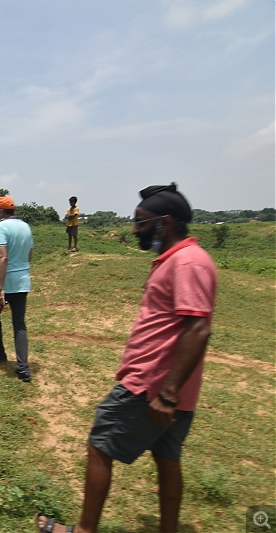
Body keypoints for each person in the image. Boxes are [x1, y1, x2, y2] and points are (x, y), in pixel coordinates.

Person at [34, 183, 218, 533]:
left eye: (141, 222)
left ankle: (85, 530)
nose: (135, 229)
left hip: (151, 385)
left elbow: (198, 330)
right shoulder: (180, 259)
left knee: (100, 444)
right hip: (171, 389)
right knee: (167, 459)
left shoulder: (187, 263)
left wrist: (167, 393)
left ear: (165, 222)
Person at [0, 196, 34, 382]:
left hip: (4, 282)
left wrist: (1, 287)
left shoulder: (0, 227)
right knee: (19, 323)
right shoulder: (25, 227)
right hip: (22, 281)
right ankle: (23, 368)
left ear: (2, 212)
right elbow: (29, 254)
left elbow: (3, 257)